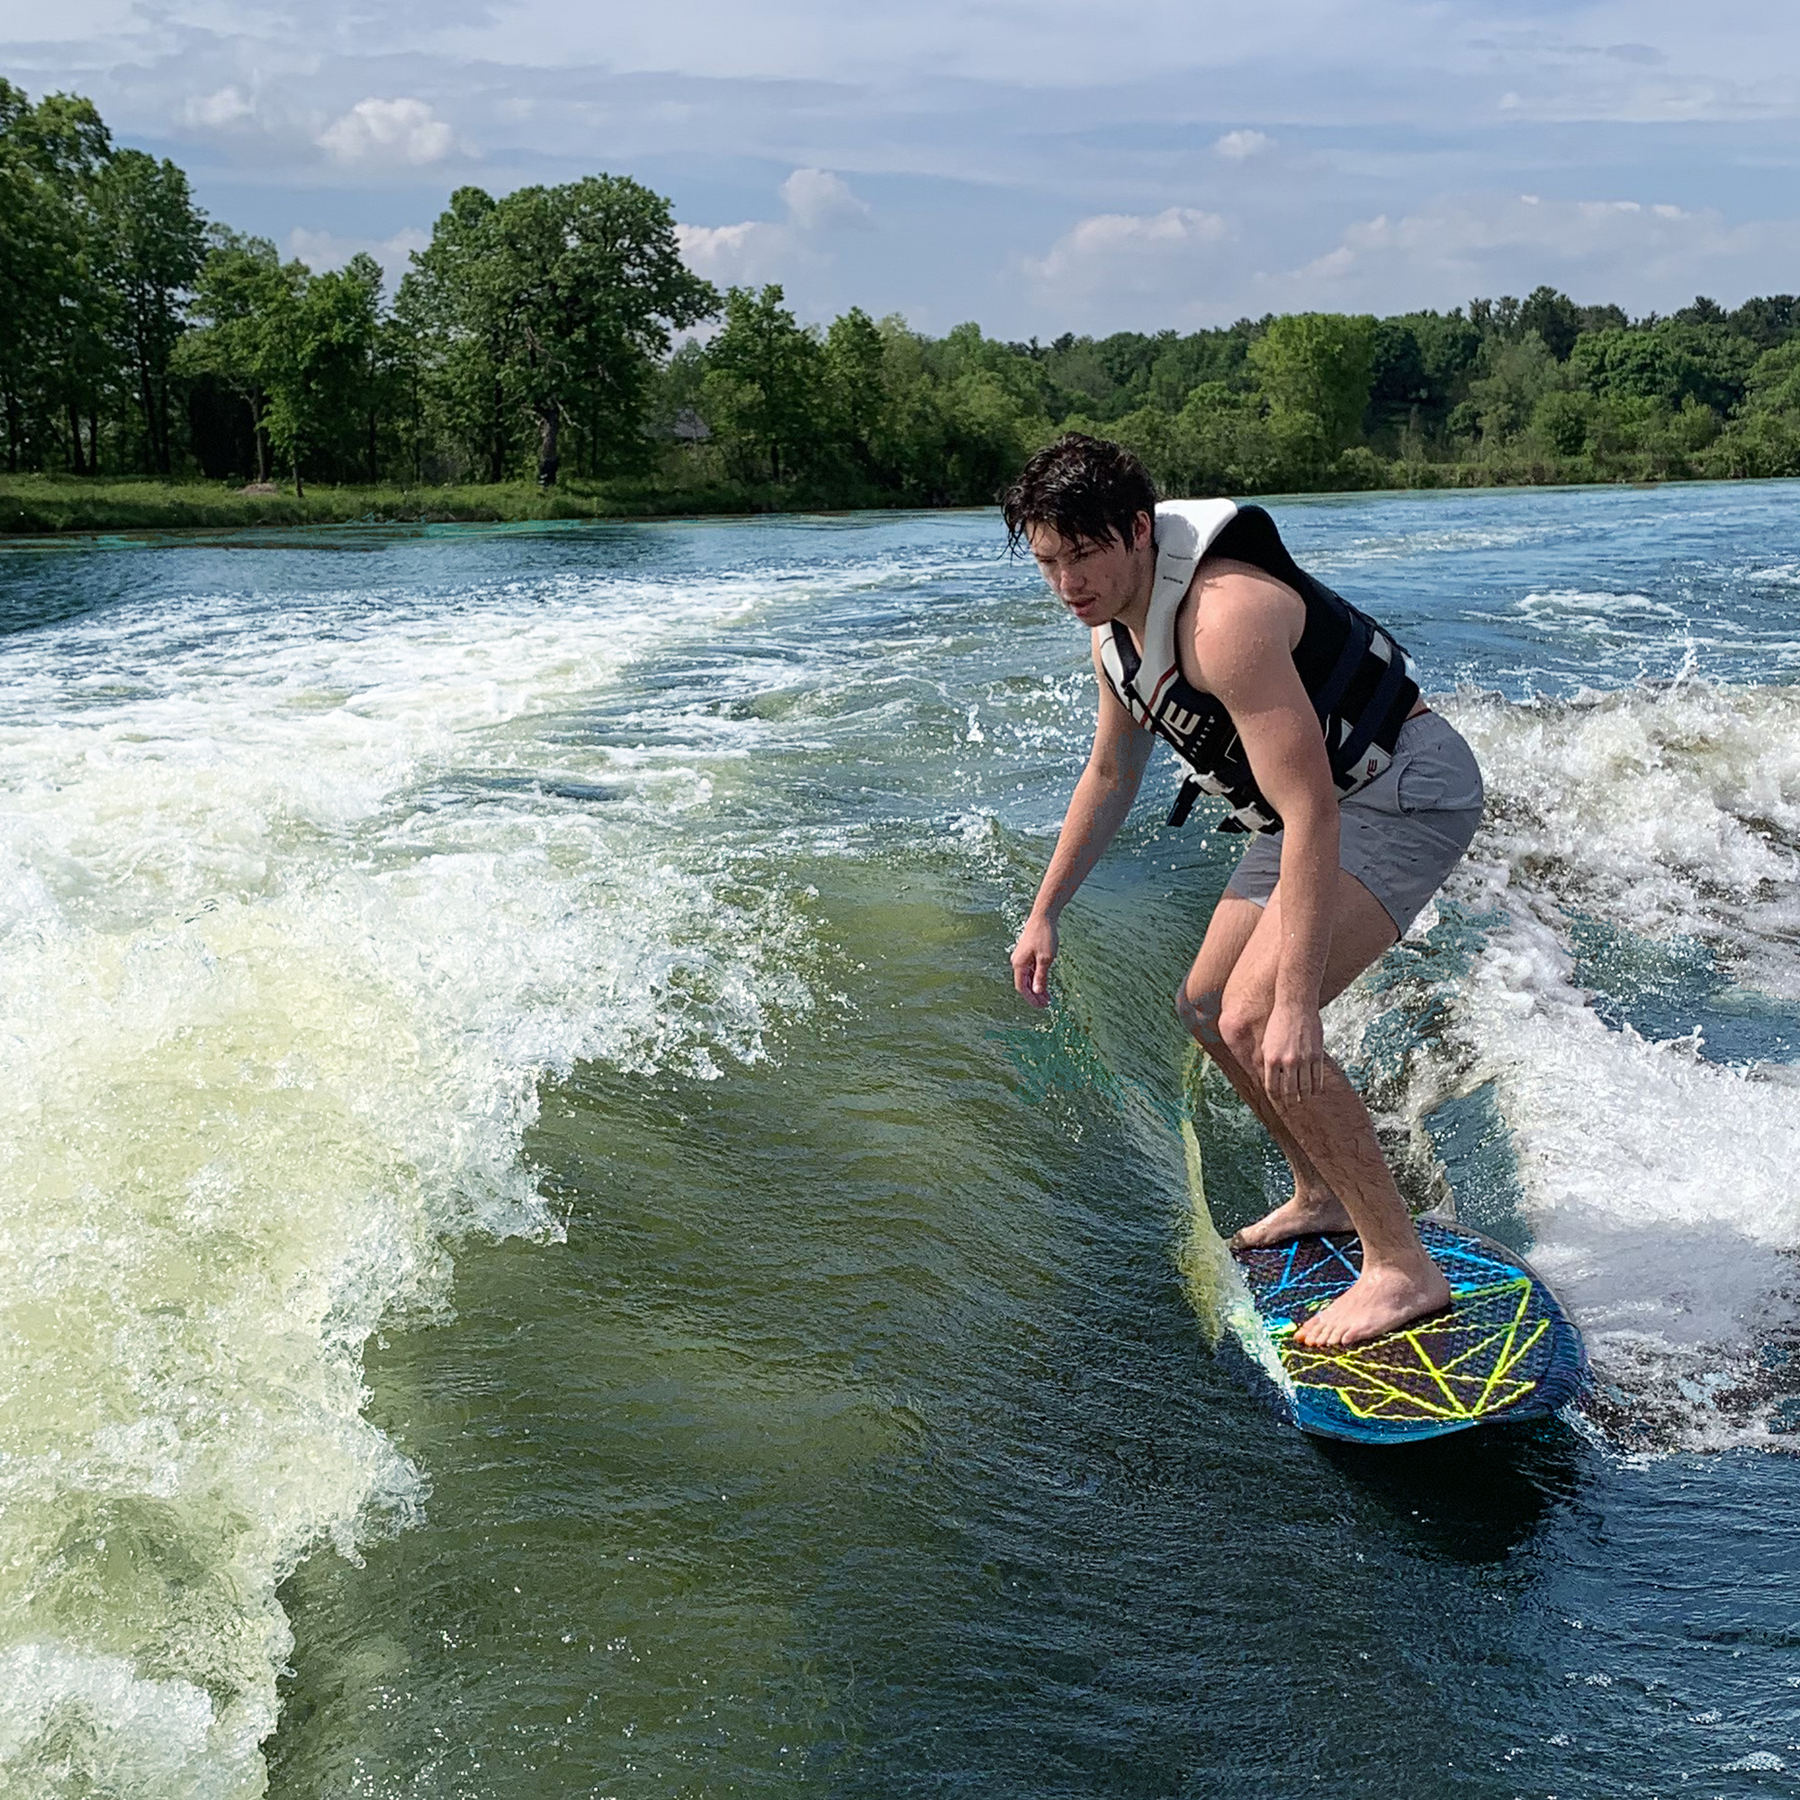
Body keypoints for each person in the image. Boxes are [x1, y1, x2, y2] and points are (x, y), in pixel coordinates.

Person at [1003, 434, 1484, 1349]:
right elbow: (1111, 771)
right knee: (1207, 1005)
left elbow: (1311, 816)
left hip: (1401, 790)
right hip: (1319, 809)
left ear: (1139, 531)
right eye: (1049, 563)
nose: (1067, 583)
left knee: (1263, 1021)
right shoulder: (1117, 634)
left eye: (1083, 556)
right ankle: (1324, 1194)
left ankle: (1402, 1268)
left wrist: (1299, 1002)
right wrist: (1044, 911)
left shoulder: (1226, 618)